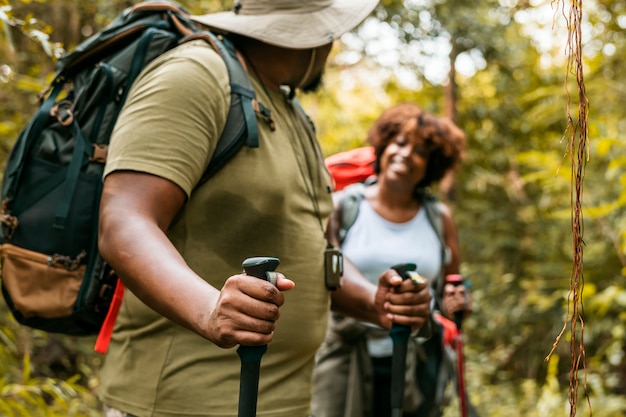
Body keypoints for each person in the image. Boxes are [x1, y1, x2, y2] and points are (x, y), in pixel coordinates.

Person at [96, 1, 433, 417]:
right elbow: (124, 221)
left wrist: (375, 302)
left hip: (282, 402)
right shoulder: (195, 75)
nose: (334, 42)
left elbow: (316, 255)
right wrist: (209, 311)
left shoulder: (289, 111)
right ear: (308, 33)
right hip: (180, 402)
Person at [311, 103, 469, 417]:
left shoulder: (439, 218)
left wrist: (459, 303)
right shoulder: (342, 206)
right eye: (399, 142)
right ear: (382, 147)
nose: (406, 154)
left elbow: (452, 284)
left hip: (416, 358)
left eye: (421, 151)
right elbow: (321, 273)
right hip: (345, 353)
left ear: (431, 165)